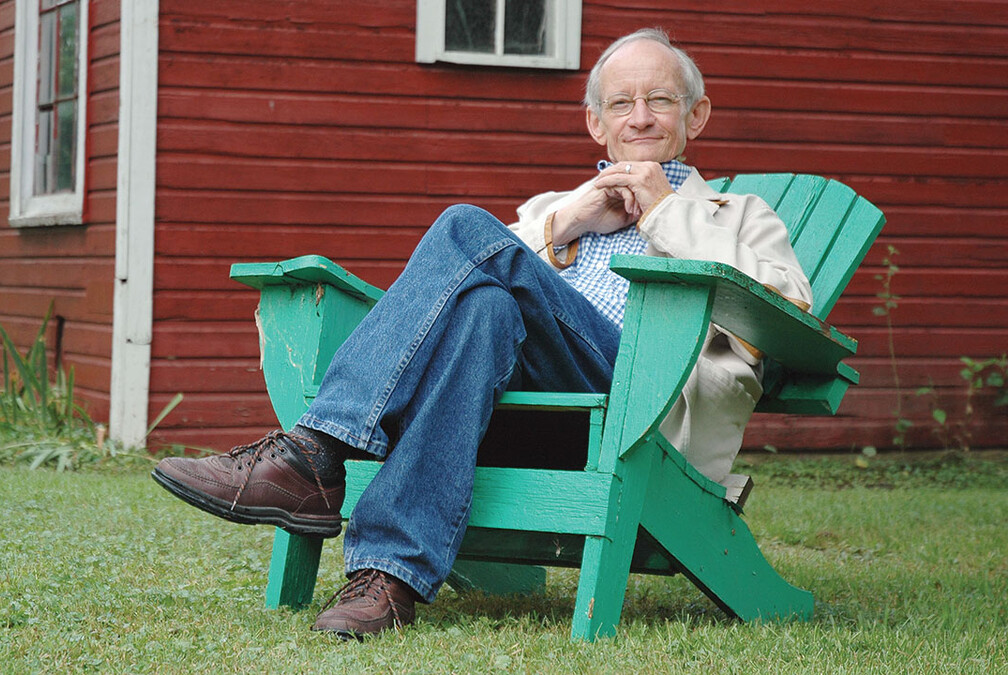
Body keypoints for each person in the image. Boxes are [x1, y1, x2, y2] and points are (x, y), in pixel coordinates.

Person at [151, 27, 812, 640]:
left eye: (660, 100)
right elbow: (469, 277)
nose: (639, 117)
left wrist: (667, 215)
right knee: (483, 311)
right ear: (596, 122)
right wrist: (566, 223)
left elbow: (787, 308)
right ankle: (389, 578)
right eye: (621, 103)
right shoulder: (556, 213)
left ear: (695, 116)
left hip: (636, 405)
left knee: (466, 226)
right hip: (515, 408)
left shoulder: (739, 216)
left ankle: (314, 453)